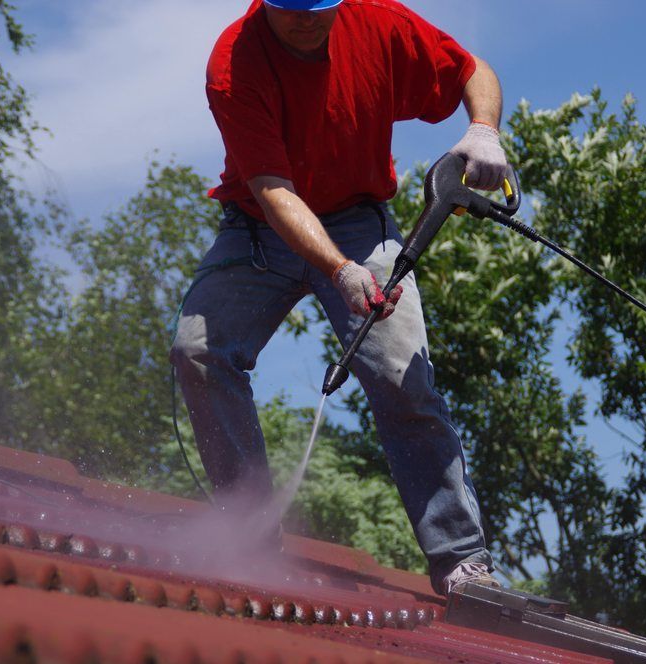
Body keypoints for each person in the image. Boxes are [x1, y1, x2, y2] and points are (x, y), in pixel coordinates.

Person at [170, 0, 508, 596]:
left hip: (360, 220)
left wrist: (483, 129)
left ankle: (461, 561)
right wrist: (338, 270)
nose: (305, 18)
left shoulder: (379, 24)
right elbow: (273, 190)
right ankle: (247, 540)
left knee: (404, 375)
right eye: (290, 8)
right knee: (198, 350)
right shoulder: (234, 62)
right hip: (260, 227)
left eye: (317, 7)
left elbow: (471, 70)